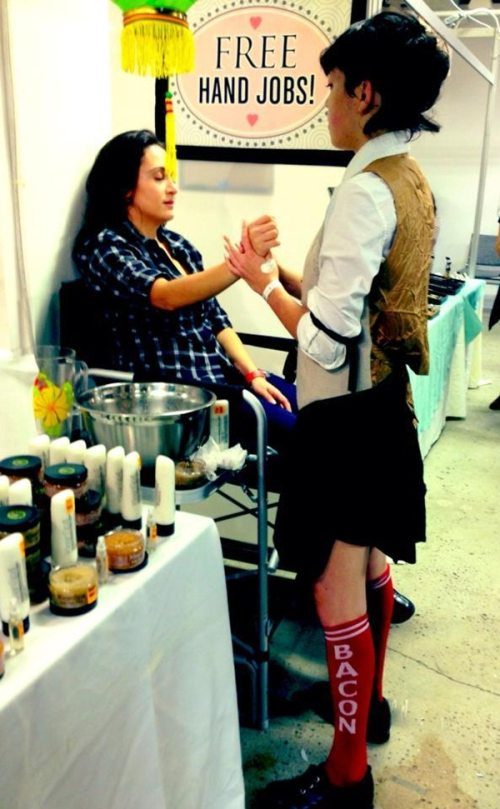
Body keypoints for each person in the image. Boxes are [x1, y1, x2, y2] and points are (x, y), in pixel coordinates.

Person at [225, 12, 449, 809]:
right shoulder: (406, 176)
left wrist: (260, 283)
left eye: (332, 87)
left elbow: (325, 338)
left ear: (366, 92)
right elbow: (357, 297)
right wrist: (283, 271)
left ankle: (348, 775)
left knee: (333, 590)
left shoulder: (362, 190)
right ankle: (368, 707)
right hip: (383, 410)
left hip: (344, 422)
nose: (327, 103)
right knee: (374, 567)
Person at [72, 129, 296, 455]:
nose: (173, 188)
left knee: (319, 412)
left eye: (171, 177)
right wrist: (240, 262)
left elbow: (218, 321)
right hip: (180, 401)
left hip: (226, 381)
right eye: (159, 177)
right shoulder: (103, 246)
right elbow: (165, 295)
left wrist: (253, 374)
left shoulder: (179, 246)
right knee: (308, 437)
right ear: (125, 188)